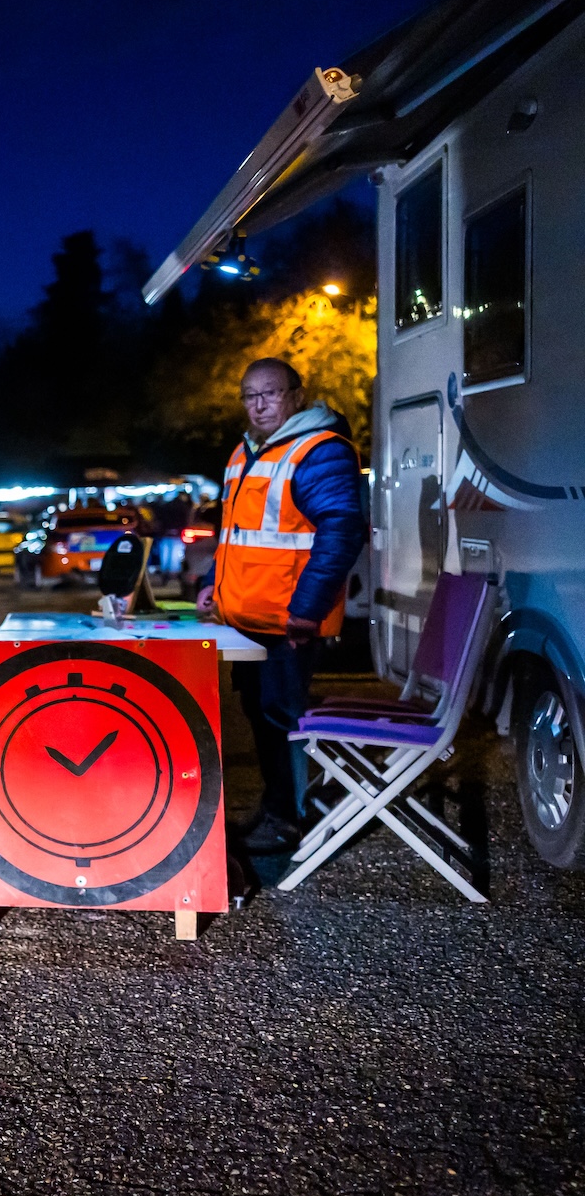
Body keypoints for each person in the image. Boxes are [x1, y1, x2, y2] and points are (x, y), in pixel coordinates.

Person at [197, 357, 367, 853]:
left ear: (296, 395)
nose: (259, 405)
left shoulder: (320, 450)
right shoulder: (245, 452)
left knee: (282, 718)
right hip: (248, 617)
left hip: (288, 620)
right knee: (261, 714)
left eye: (270, 393)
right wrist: (211, 583)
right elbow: (233, 536)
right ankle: (277, 810)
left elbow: (341, 531)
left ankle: (290, 822)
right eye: (250, 395)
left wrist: (308, 610)